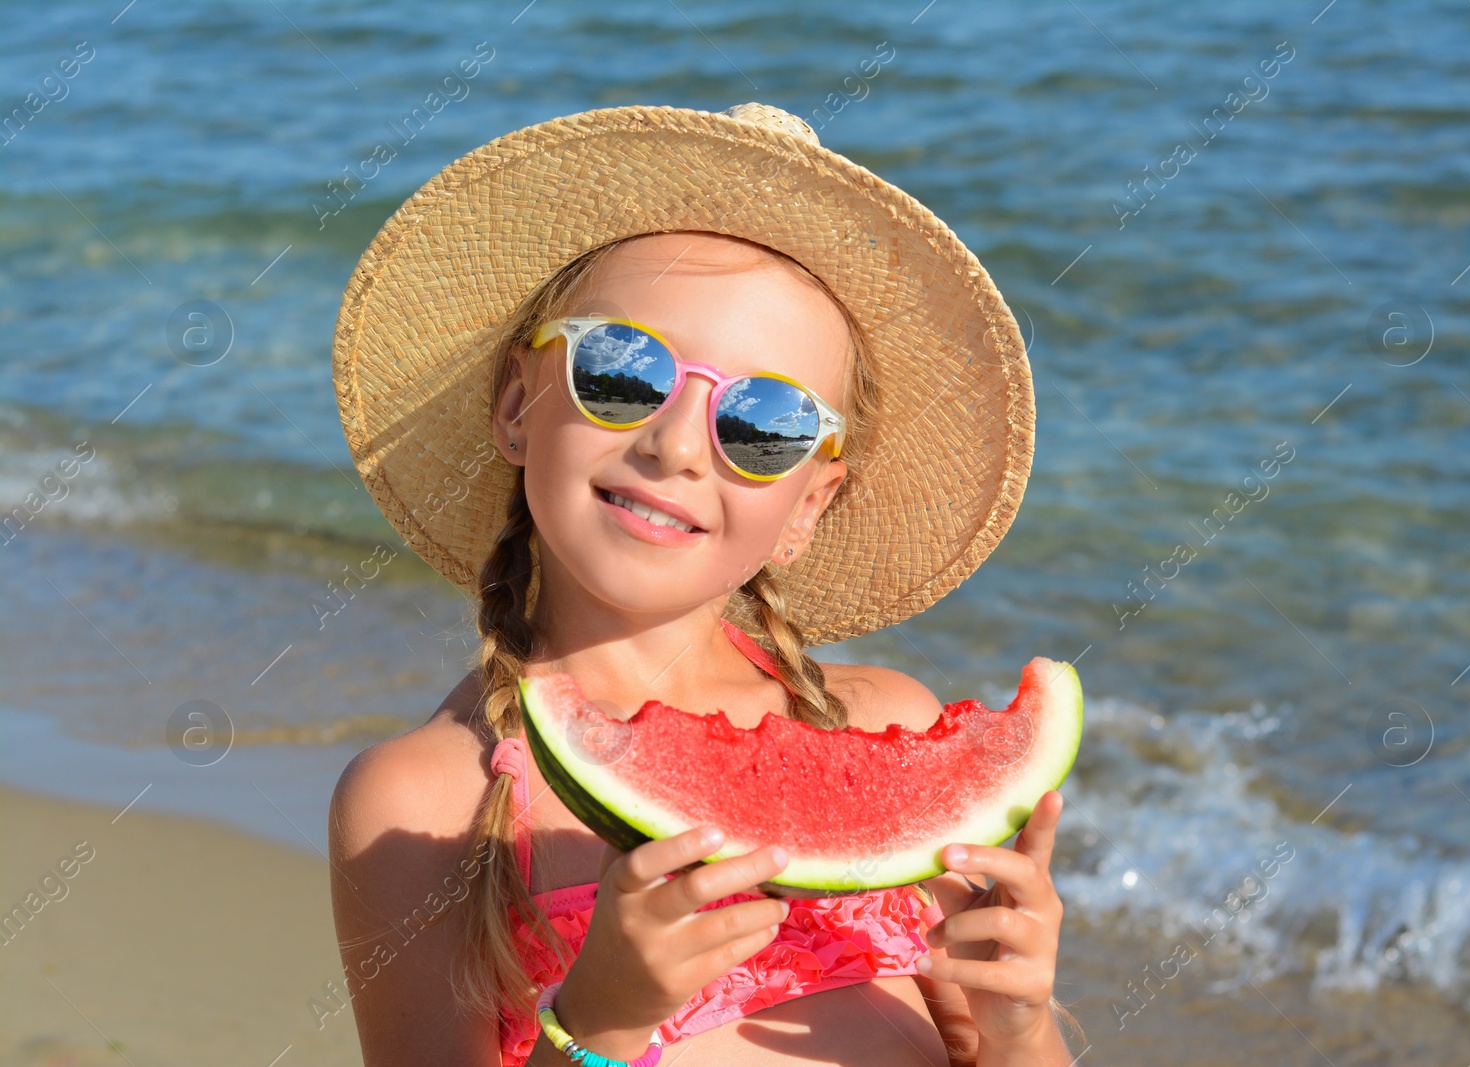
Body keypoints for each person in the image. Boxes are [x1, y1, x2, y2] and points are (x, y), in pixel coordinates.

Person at [326, 102, 1077, 1066]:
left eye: (764, 424)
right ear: (518, 404)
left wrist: (1021, 1029)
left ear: (811, 502)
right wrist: (596, 1023)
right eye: (624, 370)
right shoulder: (421, 803)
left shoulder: (882, 721)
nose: (676, 445)